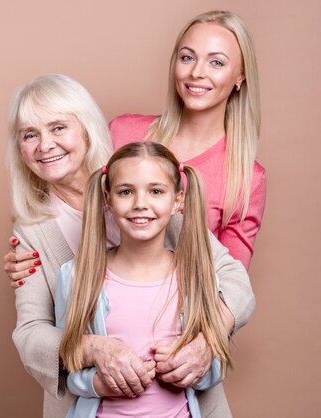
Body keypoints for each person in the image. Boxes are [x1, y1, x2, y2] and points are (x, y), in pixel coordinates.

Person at [6, 73, 253, 417]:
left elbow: (234, 279)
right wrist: (91, 349)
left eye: (58, 128)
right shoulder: (33, 232)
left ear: (87, 128)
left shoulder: (143, 186)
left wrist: (206, 343)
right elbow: (31, 333)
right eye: (29, 135)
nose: (44, 144)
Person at [56, 141, 231, 417]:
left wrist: (185, 372)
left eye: (156, 191)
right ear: (107, 199)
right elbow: (68, 365)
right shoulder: (76, 276)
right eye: (126, 191)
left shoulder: (197, 275)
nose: (140, 204)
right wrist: (97, 383)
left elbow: (214, 366)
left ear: (177, 200)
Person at [110, 10, 266, 270]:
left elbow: (231, 284)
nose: (196, 72)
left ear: (240, 76)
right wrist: (30, 254)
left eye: (216, 62)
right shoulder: (122, 133)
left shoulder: (248, 177)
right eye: (187, 57)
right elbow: (72, 212)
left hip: (185, 309)